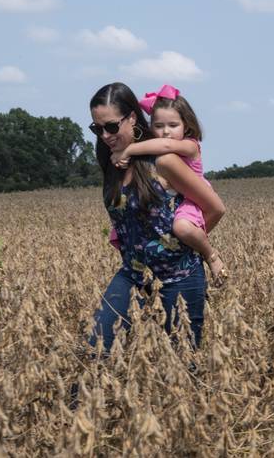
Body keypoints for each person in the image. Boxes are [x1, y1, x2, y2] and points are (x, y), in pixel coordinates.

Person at [87, 82, 226, 352]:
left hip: (179, 277)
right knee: (96, 349)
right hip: (133, 275)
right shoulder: (112, 164)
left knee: (180, 367)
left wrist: (184, 243)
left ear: (132, 118)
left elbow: (215, 208)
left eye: (111, 126)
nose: (104, 135)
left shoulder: (164, 161)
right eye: (97, 128)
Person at [108, 84, 227, 280]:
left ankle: (210, 255)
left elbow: (165, 144)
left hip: (193, 197)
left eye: (173, 125)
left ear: (186, 126)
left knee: (182, 228)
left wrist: (127, 151)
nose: (165, 132)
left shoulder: (190, 145)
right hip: (176, 196)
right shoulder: (155, 153)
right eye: (158, 126)